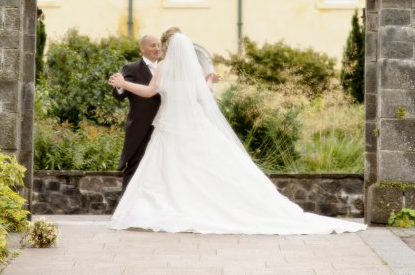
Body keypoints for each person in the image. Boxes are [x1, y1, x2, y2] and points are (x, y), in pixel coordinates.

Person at [109, 32, 367, 235]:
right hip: (190, 125)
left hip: (170, 127)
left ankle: (168, 208)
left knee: (168, 170)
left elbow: (149, 92)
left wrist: (123, 83)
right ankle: (195, 206)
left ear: (169, 49)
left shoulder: (164, 67)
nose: (160, 49)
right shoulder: (193, 71)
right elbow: (205, 95)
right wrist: (210, 79)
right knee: (198, 168)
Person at [111, 34, 161, 193]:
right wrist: (120, 86)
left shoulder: (166, 68)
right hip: (141, 125)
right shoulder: (132, 68)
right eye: (153, 45)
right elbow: (120, 95)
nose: (157, 48)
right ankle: (126, 206)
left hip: (164, 123)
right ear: (142, 48)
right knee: (135, 164)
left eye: (159, 45)